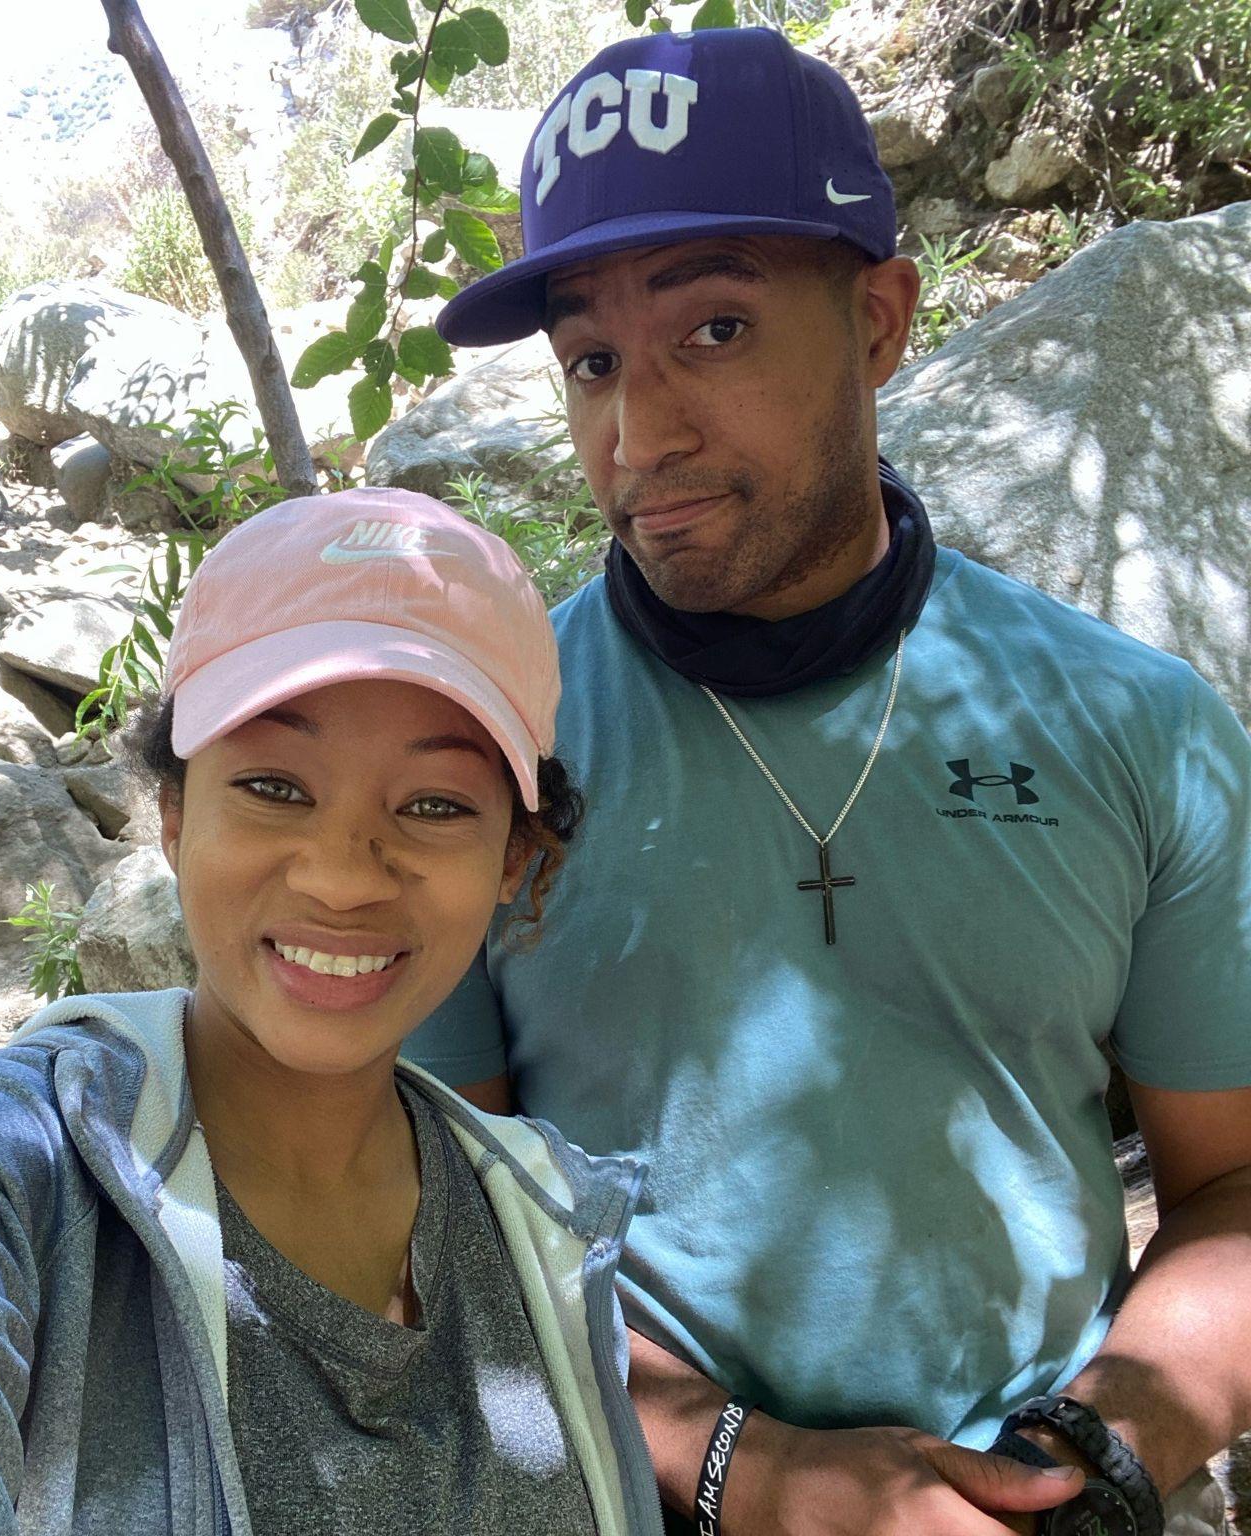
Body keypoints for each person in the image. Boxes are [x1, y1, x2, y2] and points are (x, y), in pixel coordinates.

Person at [406, 24, 1251, 1536]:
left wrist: (1096, 1462)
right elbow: (440, 1234)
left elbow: (1232, 1190)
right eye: (591, 359)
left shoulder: (1139, 730)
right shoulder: (480, 755)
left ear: (879, 320)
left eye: (713, 331)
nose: (637, 431)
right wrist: (756, 1474)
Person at [0, 487, 665, 1535]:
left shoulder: (546, 1218)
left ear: (514, 861)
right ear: (173, 818)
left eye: (434, 805)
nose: (343, 878)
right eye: (273, 785)